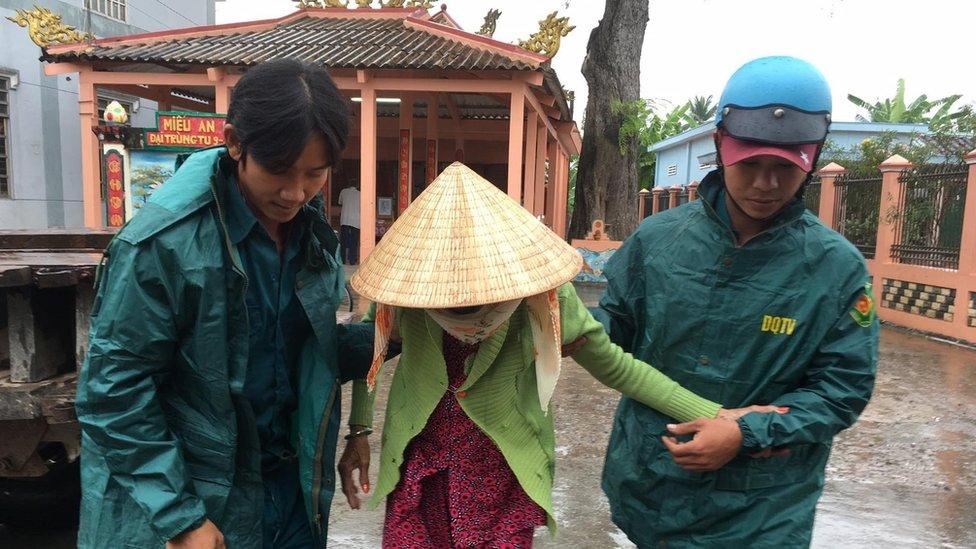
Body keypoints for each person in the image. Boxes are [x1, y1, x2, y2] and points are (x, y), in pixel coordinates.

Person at [336, 163, 773, 547]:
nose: (461, 304)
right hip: (421, 465)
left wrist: (716, 414)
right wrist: (357, 432)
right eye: (449, 299)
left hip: (503, 469)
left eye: (477, 296)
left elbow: (619, 368)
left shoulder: (546, 298)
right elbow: (368, 358)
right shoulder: (405, 291)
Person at [75, 59, 373, 549]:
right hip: (194, 496)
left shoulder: (313, 234)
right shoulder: (161, 246)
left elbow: (305, 353)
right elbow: (113, 394)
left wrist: (391, 332)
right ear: (235, 142)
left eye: (315, 174)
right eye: (278, 171)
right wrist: (180, 517)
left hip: (287, 489)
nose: (295, 192)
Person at [599, 56, 879, 547]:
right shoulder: (657, 240)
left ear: (812, 158)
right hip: (651, 486)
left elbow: (841, 390)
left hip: (762, 509)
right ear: (719, 146)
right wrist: (557, 328)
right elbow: (612, 328)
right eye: (750, 164)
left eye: (785, 168)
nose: (765, 185)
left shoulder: (836, 268)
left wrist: (746, 432)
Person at [338, 180, 361, 265]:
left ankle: (343, 260)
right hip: (356, 220)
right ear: (357, 185)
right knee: (354, 241)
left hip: (345, 219)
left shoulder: (344, 191)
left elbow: (340, 202)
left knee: (343, 241)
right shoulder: (360, 194)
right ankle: (352, 260)